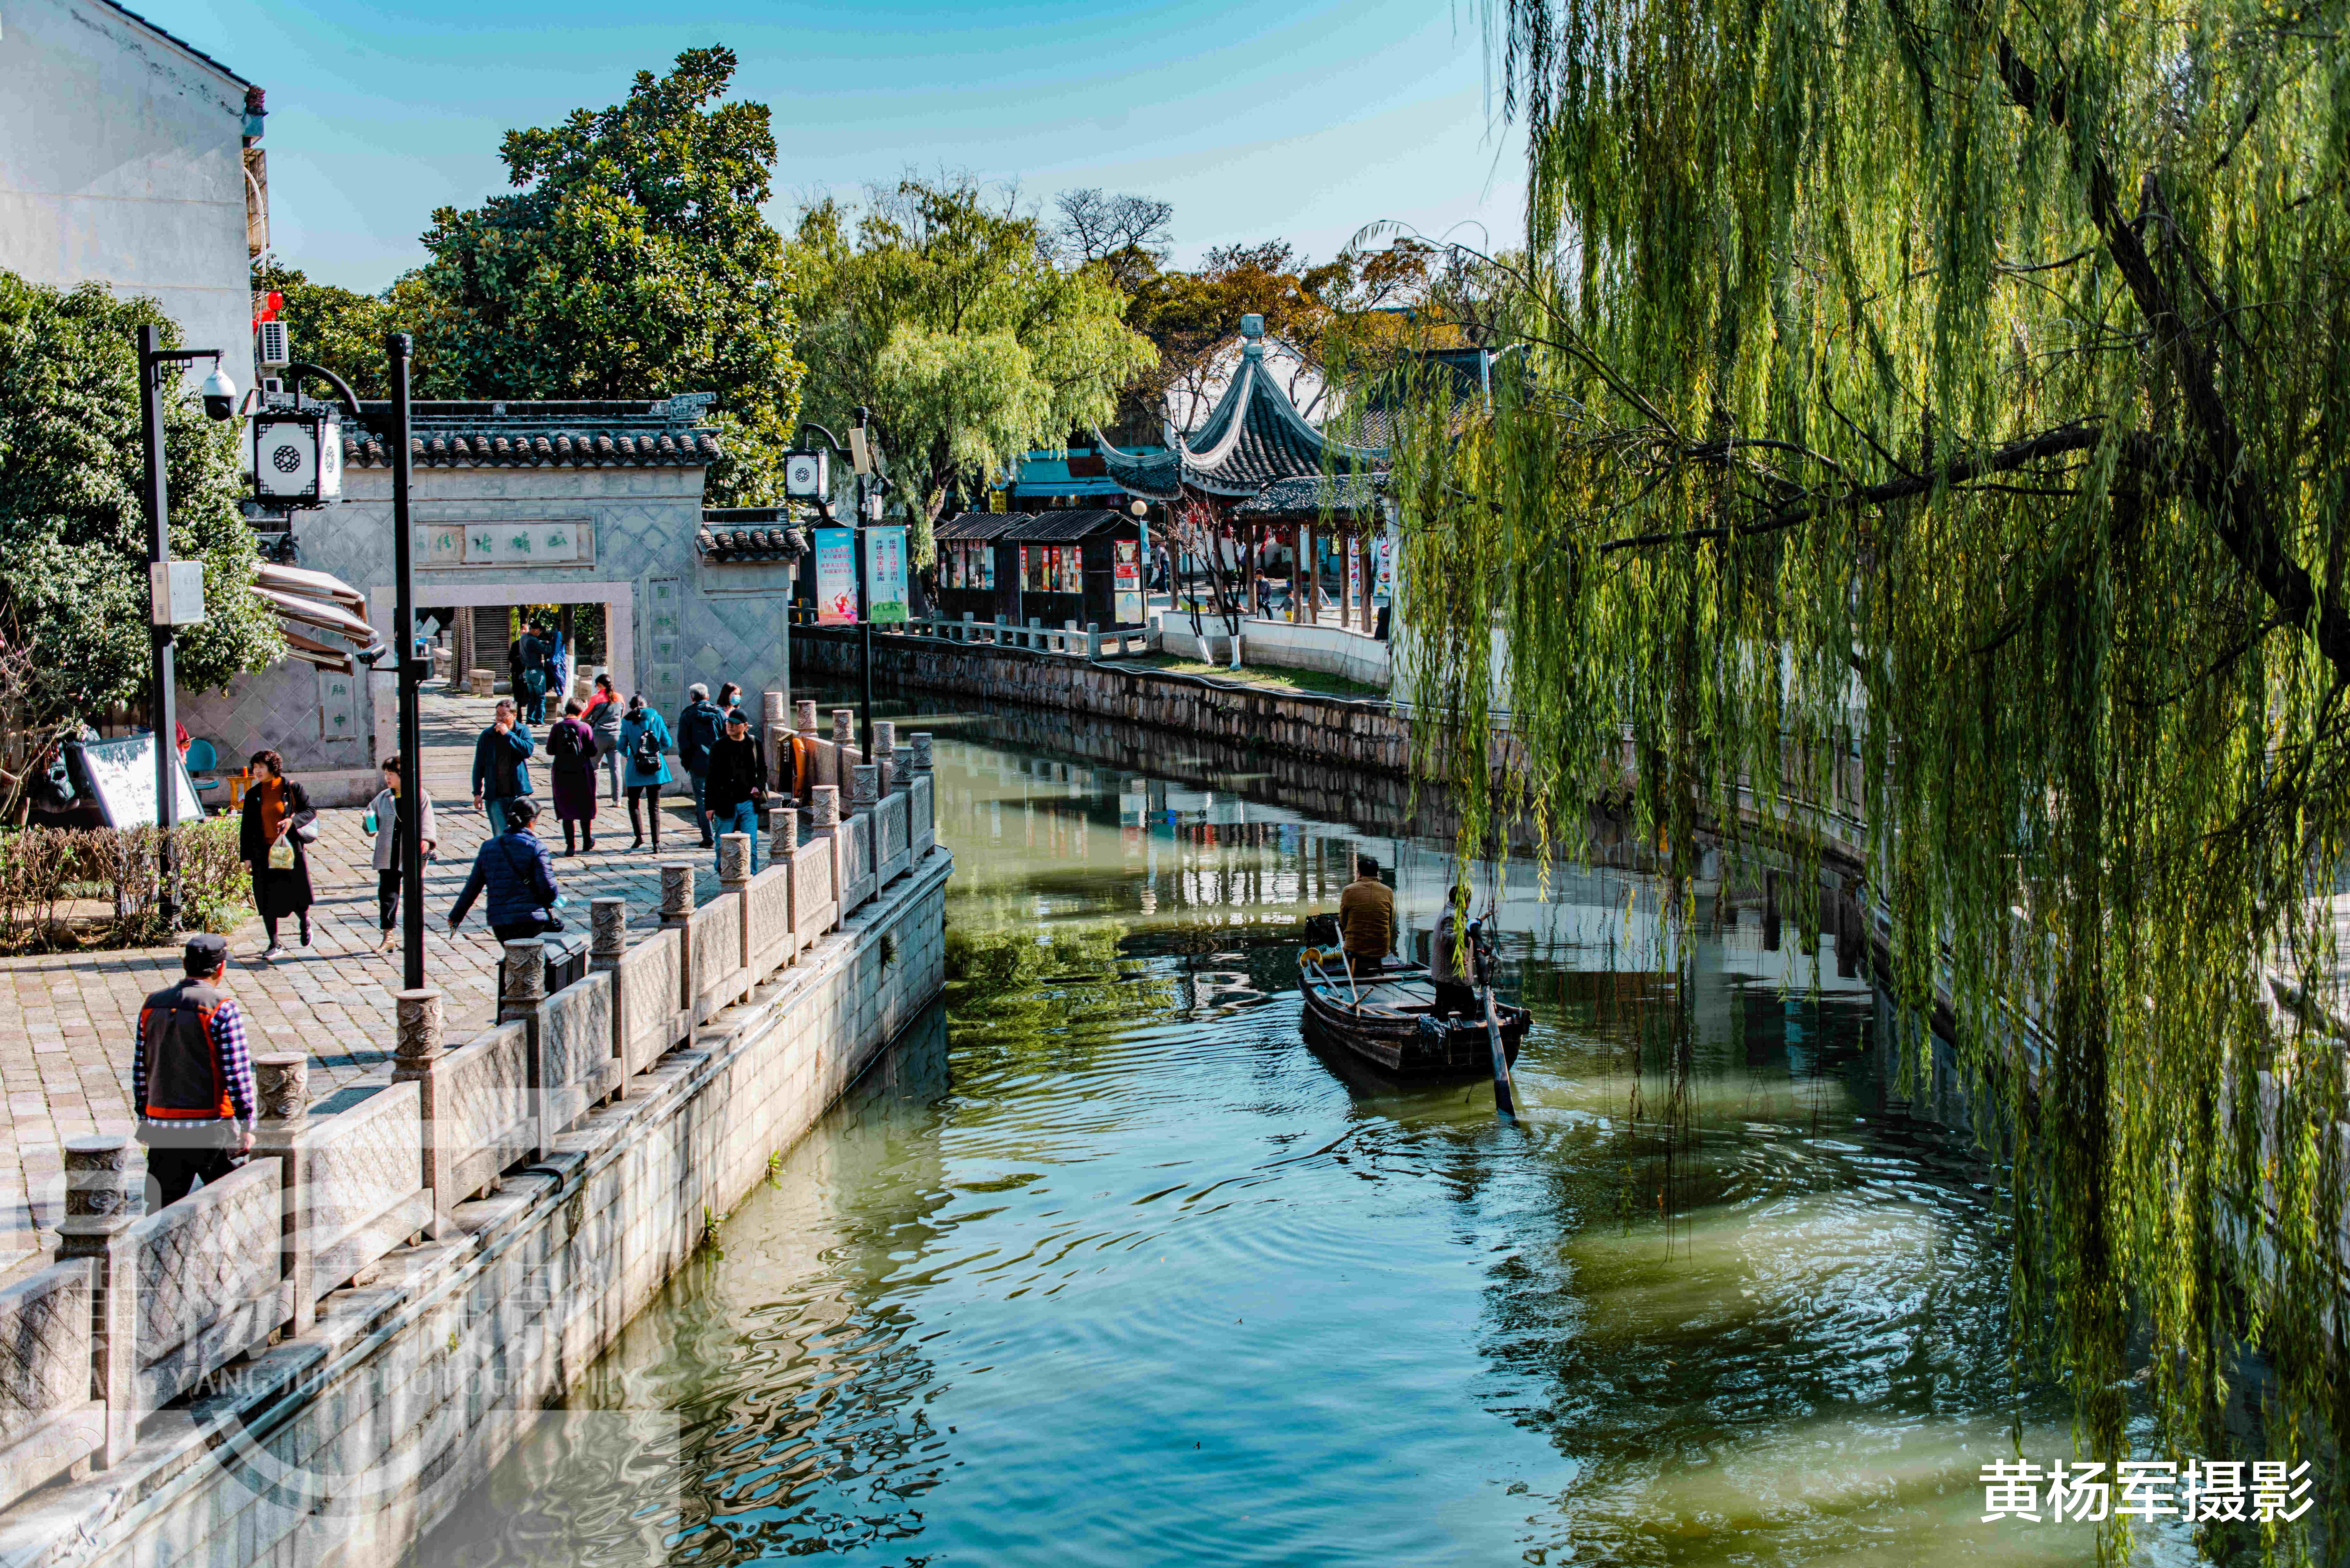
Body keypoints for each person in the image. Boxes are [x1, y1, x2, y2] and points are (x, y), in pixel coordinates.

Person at [132, 933, 256, 1210]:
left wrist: (144, 1116)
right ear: (221, 968)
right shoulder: (223, 1009)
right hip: (211, 1129)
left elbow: (142, 1068)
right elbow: (237, 1074)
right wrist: (248, 1125)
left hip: (163, 1130)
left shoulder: (151, 1005)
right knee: (237, 1209)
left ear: (184, 963)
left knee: (159, 1215)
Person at [447, 797, 564, 943]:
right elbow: (548, 888)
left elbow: (473, 887)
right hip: (532, 919)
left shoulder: (488, 847)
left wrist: (456, 916)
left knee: (513, 960)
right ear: (531, 822)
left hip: (500, 922)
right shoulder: (537, 847)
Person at [238, 750, 315, 959]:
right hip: (263, 852)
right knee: (265, 897)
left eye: (261, 767)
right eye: (255, 767)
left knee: (297, 895)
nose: (257, 771)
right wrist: (246, 857)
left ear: (273, 768)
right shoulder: (253, 794)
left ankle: (304, 921)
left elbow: (311, 811)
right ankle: (274, 943)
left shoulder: (291, 788)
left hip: (289, 850)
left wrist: (293, 821)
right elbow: (246, 828)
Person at [365, 756, 439, 954]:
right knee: (388, 894)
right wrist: (368, 822)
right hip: (388, 852)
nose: (388, 778)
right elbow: (371, 824)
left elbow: (428, 822)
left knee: (414, 895)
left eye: (391, 774)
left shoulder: (419, 796)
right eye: (386, 775)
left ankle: (414, 937)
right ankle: (388, 936)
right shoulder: (382, 798)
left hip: (413, 852)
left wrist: (426, 840)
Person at [702, 707, 767, 877]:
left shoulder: (754, 743)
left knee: (751, 843)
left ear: (745, 726)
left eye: (735, 724)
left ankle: (751, 875)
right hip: (725, 802)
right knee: (722, 843)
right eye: (728, 723)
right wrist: (709, 806)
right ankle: (724, 873)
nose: (730, 726)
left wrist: (758, 787)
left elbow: (763, 770)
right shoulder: (719, 746)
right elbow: (711, 778)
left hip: (748, 802)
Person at [618, 694, 675, 852]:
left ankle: (639, 837)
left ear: (631, 707)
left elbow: (622, 745)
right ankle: (656, 843)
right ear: (646, 704)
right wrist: (655, 751)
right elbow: (667, 742)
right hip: (655, 767)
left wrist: (630, 752)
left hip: (635, 766)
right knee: (654, 806)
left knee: (633, 803)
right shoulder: (656, 718)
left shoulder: (627, 721)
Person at [471, 699, 536, 836]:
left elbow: (528, 751)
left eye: (504, 715)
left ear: (514, 716)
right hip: (495, 795)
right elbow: (479, 765)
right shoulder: (487, 735)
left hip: (519, 794)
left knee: (520, 834)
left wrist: (508, 735)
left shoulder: (522, 731)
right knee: (501, 835)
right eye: (498, 715)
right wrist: (477, 792)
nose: (500, 719)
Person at [545, 699, 600, 855]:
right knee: (585, 806)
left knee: (566, 808)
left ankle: (570, 846)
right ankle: (587, 841)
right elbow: (593, 752)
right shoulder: (585, 728)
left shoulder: (557, 728)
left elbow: (550, 750)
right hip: (583, 772)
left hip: (562, 772)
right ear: (581, 712)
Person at [677, 682, 724, 848]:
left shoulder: (687, 715)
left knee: (702, 800)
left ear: (692, 697)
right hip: (719, 762)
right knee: (722, 797)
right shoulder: (720, 714)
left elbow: (683, 744)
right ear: (708, 696)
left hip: (697, 763)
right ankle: (724, 834)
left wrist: (686, 764)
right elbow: (727, 737)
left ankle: (708, 837)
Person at [1337, 854, 1396, 974]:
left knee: (1351, 943)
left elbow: (1343, 920)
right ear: (1377, 873)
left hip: (1355, 947)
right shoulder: (1388, 891)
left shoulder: (1349, 890)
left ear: (1359, 873)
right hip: (1382, 947)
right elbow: (1391, 921)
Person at [1429, 884, 1479, 1020]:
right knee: (1470, 1009)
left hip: (1447, 972)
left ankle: (1436, 1033)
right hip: (1452, 975)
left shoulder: (1452, 911)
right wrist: (1467, 931)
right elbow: (1447, 938)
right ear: (1465, 901)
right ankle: (1463, 1038)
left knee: (1441, 1008)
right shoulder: (1452, 915)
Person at [583, 673, 624, 803]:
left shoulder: (596, 698)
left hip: (599, 736)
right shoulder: (620, 698)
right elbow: (621, 716)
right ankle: (617, 800)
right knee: (616, 769)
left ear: (600, 685)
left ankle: (592, 797)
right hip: (616, 736)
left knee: (594, 767)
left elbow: (585, 716)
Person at [515, 622, 549, 723]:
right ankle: (539, 720)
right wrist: (554, 644)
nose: (540, 632)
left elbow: (536, 645)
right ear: (535, 630)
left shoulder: (523, 638)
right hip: (537, 672)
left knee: (532, 697)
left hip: (528, 672)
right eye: (540, 630)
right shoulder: (533, 640)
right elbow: (547, 651)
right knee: (541, 697)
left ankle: (530, 719)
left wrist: (542, 642)